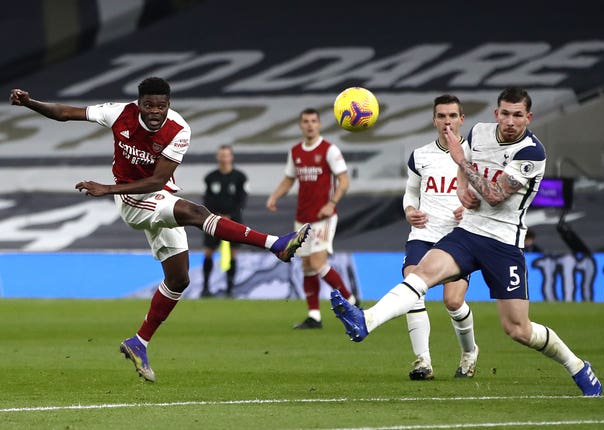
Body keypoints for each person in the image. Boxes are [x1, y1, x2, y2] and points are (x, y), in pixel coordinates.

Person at [9, 77, 310, 382]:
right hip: (131, 202)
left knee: (179, 279)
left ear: (169, 104)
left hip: (157, 194)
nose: (155, 111)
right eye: (149, 104)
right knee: (197, 213)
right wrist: (30, 103)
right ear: (138, 104)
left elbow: (156, 181)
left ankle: (138, 342)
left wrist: (104, 188)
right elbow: (65, 113)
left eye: (161, 105)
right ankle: (276, 245)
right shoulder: (118, 114)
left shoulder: (179, 129)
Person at [330, 87, 603, 396]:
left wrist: (460, 161)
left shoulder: (531, 152)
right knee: (420, 274)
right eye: (505, 113)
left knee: (518, 329)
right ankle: (366, 320)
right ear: (495, 113)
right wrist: (461, 189)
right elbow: (467, 166)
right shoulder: (481, 132)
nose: (510, 121)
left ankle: (577, 366)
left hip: (504, 244)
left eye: (517, 115)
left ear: (529, 117)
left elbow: (495, 195)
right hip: (468, 233)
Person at [402, 95, 479, 381]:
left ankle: (469, 352)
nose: (447, 121)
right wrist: (410, 210)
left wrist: (471, 206)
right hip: (423, 234)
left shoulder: (474, 154)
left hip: (460, 237)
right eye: (442, 116)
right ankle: (423, 362)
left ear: (462, 119)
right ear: (434, 120)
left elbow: (488, 192)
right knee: (412, 289)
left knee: (453, 302)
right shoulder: (420, 155)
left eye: (452, 116)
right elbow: (411, 191)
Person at [267, 108, 356, 329]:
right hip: (303, 218)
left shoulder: (329, 150)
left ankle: (352, 301)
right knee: (307, 265)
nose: (309, 125)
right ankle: (314, 316)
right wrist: (275, 196)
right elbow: (289, 179)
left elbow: (344, 180)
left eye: (313, 121)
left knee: (317, 262)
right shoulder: (295, 151)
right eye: (305, 121)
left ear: (319, 125)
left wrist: (331, 203)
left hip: (324, 217)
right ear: (300, 125)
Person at [201, 145, 248, 298]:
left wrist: (230, 215)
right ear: (217, 157)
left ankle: (230, 289)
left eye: (226, 155)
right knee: (209, 251)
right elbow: (206, 199)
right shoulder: (210, 177)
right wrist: (217, 215)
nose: (223, 158)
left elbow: (242, 200)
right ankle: (205, 288)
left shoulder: (240, 177)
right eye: (221, 155)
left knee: (233, 253)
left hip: (234, 220)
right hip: (214, 220)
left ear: (231, 157)